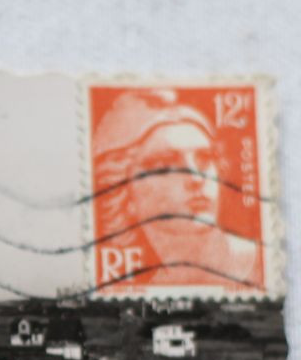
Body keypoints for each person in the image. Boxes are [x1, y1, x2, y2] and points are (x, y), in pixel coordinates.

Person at [92, 88, 263, 292]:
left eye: (205, 158)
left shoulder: (261, 263)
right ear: (122, 192)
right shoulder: (150, 287)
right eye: (165, 166)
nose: (196, 178)